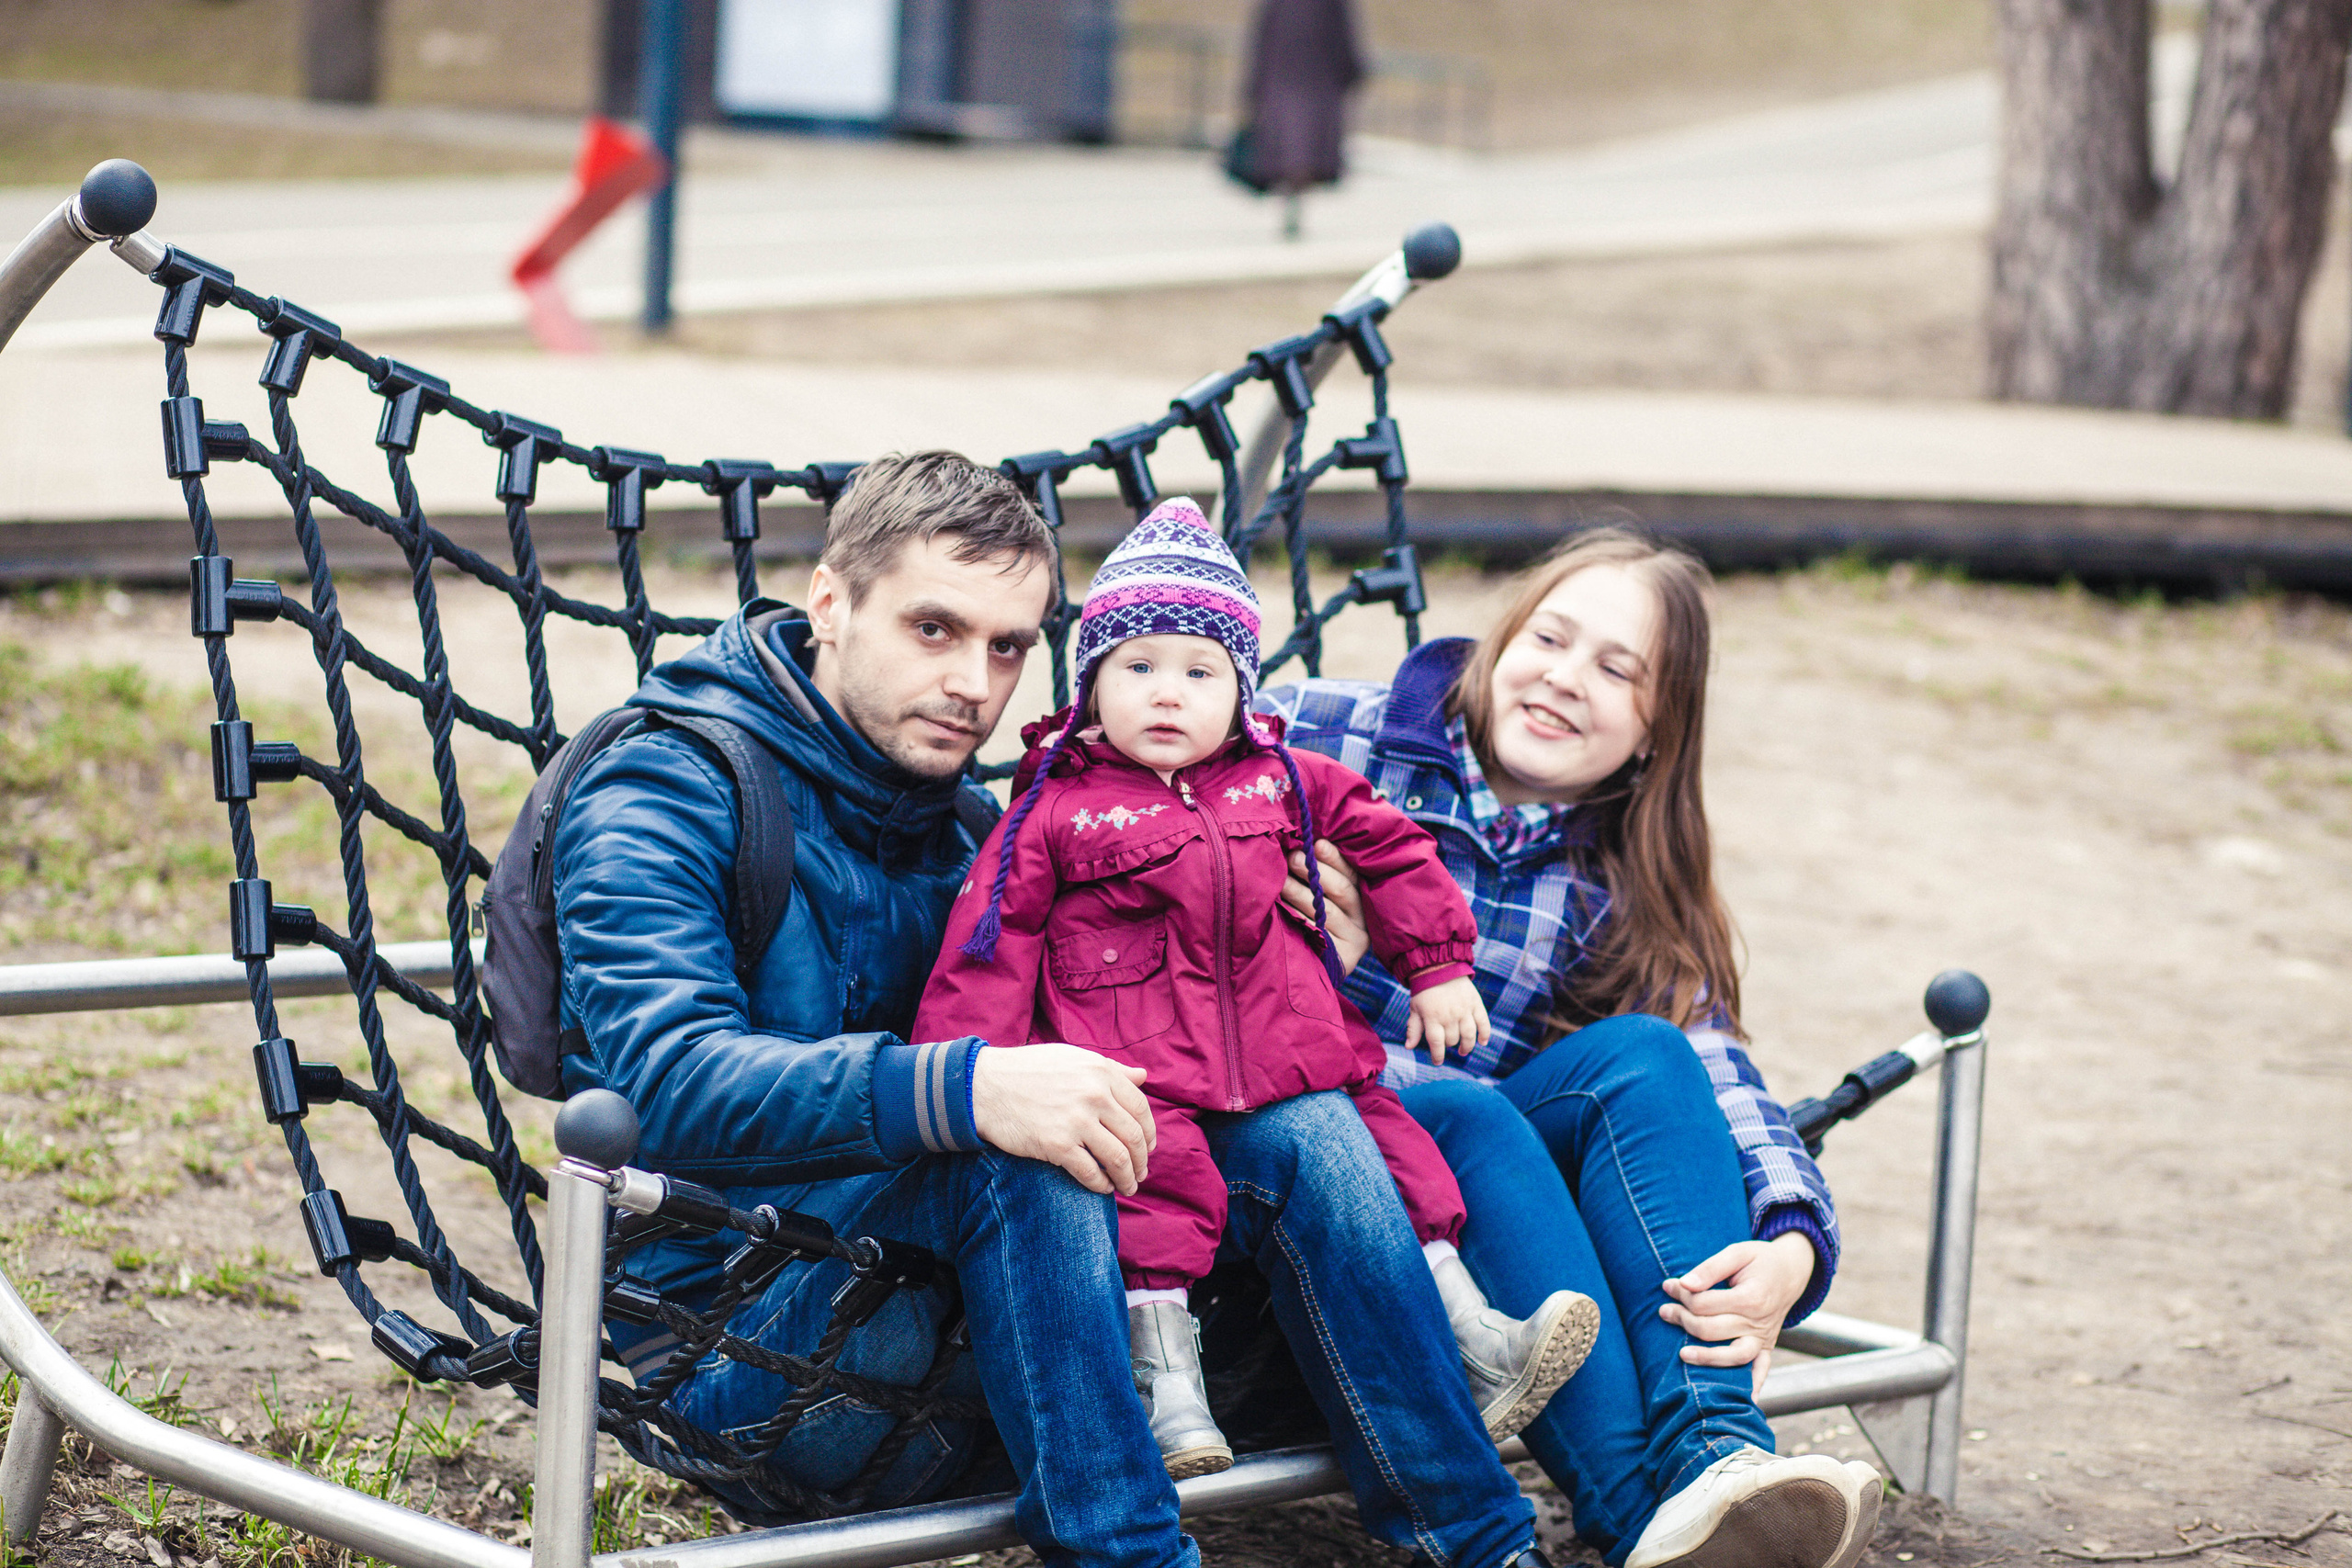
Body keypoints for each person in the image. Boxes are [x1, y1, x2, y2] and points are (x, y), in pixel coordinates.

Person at [551, 452, 1562, 1568]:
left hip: (950, 1305)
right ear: (830, 605)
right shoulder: (666, 785)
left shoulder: (975, 818)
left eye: (1006, 647)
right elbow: (666, 1078)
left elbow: (1170, 1031)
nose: (973, 684)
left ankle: (1475, 1539)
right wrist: (970, 1085)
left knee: (1304, 1122)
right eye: (933, 629)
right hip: (746, 1342)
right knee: (1019, 1135)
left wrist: (1299, 948)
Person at [915, 498, 1597, 1480]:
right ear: (1088, 686)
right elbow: (990, 942)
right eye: (1136, 667)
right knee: (1152, 1193)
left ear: (1239, 689)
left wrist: (1437, 967)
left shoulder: (1283, 776)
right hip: (1142, 1069)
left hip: (1299, 1056)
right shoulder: (1056, 810)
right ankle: (1171, 1392)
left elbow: (1394, 851)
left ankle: (1471, 1329)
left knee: (1396, 1158)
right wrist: (971, 1073)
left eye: (1201, 673)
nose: (1167, 693)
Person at [1260, 526, 1881, 1568]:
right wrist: (1294, 940)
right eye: (1550, 638)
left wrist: (1792, 1237)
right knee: (1467, 1109)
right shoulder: (1321, 733)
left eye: (1616, 669)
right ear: (1502, 640)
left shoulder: (1612, 868)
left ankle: (1716, 1453)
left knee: (1643, 1053)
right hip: (1310, 1160)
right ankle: (1644, 1513)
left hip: (1484, 1210)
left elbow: (1713, 1061)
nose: (1564, 679)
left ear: (1653, 732)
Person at [1234, 0, 1364, 240]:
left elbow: (1261, 42)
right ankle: (1294, 197)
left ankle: (1292, 196)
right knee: (1300, 152)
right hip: (1313, 84)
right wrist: (1353, 72)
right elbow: (1346, 41)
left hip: (1285, 83)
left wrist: (1253, 89)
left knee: (1291, 149)